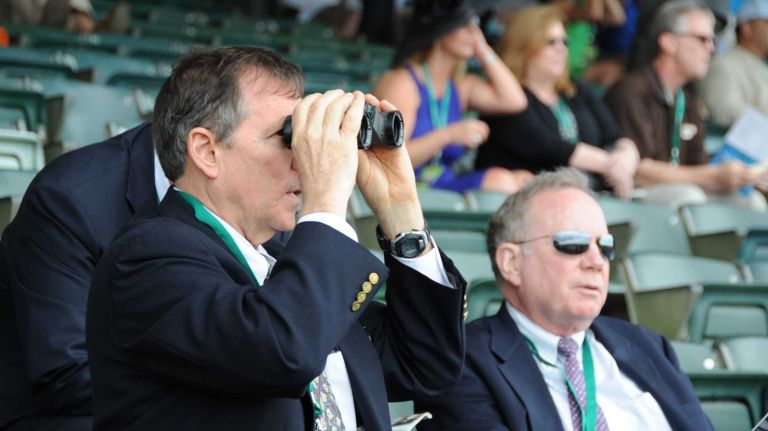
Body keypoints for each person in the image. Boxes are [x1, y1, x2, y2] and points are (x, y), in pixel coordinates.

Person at [85, 47, 467, 431]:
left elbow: (426, 366)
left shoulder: (282, 264)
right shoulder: (148, 258)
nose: (304, 158)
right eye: (288, 138)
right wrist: (326, 202)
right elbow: (284, 351)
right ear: (207, 151)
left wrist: (401, 212)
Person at [414, 167, 714, 431]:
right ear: (512, 263)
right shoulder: (458, 363)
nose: (597, 261)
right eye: (573, 243)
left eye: (606, 247)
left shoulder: (650, 347)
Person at [0, 123, 161, 430]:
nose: (285, 155)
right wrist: (210, 392)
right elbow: (66, 377)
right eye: (276, 135)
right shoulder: (68, 199)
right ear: (204, 145)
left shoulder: (263, 197)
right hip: (57, 416)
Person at [604, 0, 767, 209]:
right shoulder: (630, 91)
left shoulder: (687, 100)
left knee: (750, 202)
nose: (711, 48)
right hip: (633, 197)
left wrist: (742, 176)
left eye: (712, 40)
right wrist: (714, 176)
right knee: (689, 198)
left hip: (683, 192)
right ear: (669, 42)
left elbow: (699, 166)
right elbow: (639, 171)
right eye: (702, 39)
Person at [476, 5, 639, 199]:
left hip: (590, 196)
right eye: (551, 42)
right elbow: (549, 146)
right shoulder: (507, 98)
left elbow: (615, 136)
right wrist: (612, 165)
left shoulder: (577, 90)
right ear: (524, 45)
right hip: (528, 201)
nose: (560, 49)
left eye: (565, 41)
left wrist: (628, 158)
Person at [373, 0, 530, 194]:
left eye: (476, 26)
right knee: (501, 181)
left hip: (442, 185)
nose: (474, 34)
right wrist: (448, 135)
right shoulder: (403, 82)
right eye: (465, 26)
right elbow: (392, 157)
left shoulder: (460, 85)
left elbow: (515, 101)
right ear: (441, 30)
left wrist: (484, 51)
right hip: (403, 189)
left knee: (526, 181)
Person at [699, 0, 768, 126]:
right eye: (767, 23)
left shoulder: (761, 66)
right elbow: (725, 115)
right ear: (747, 27)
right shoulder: (723, 65)